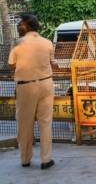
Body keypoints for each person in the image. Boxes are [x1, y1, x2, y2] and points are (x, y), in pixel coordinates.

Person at [8, 14, 55, 169]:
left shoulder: (17, 43)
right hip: (46, 84)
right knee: (45, 122)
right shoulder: (47, 43)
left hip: (26, 86)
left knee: (25, 124)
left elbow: (12, 65)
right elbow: (49, 62)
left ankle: (26, 159)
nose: (18, 27)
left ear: (27, 26)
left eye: (20, 24)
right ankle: (46, 160)